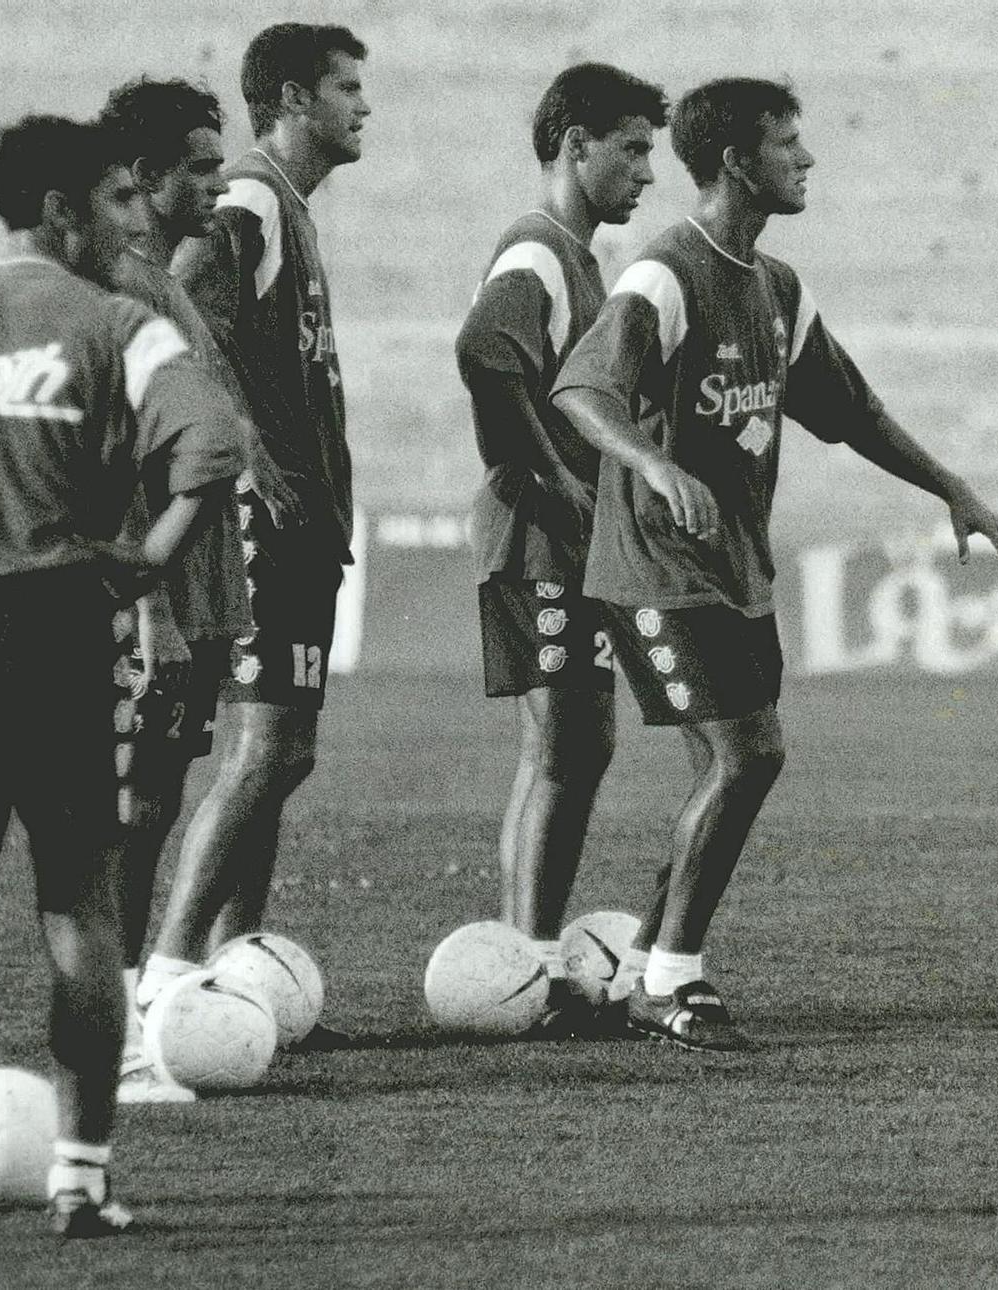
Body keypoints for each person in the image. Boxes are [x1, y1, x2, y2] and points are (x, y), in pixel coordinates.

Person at [552, 77, 998, 1051]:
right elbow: (581, 392)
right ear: (734, 161)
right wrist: (651, 462)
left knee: (721, 771)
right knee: (748, 755)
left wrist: (951, 488)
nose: (804, 161)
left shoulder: (774, 288)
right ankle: (674, 978)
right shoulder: (664, 277)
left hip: (732, 571)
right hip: (650, 569)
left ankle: (644, 968)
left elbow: (852, 413)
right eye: (786, 144)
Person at [0, 114, 242, 1241]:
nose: (134, 223)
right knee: (81, 911)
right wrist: (150, 557)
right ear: (67, 211)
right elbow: (213, 444)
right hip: (62, 629)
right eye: (119, 203)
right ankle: (80, 1173)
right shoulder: (118, 323)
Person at [139, 24, 370, 1019]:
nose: (365, 106)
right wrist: (255, 453)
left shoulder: (293, 211)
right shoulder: (249, 199)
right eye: (347, 88)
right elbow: (184, 309)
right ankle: (170, 977)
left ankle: (233, 969)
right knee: (269, 749)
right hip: (259, 519)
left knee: (279, 755)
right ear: (291, 97)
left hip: (302, 524)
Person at [456, 63, 668, 1034]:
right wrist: (552, 480)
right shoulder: (540, 248)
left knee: (567, 747)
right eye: (631, 149)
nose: (646, 172)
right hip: (539, 540)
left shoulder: (580, 259)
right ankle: (533, 970)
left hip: (565, 544)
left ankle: (520, 958)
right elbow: (484, 352)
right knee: (572, 742)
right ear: (575, 144)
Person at [95, 76, 260, 1102]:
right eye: (200, 165)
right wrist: (149, 600)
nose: (215, 180)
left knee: (151, 803)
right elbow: (109, 454)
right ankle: (110, 1034)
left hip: (191, 587)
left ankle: (122, 1016)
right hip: (152, 597)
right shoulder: (124, 288)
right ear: (147, 177)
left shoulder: (162, 282)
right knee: (132, 806)